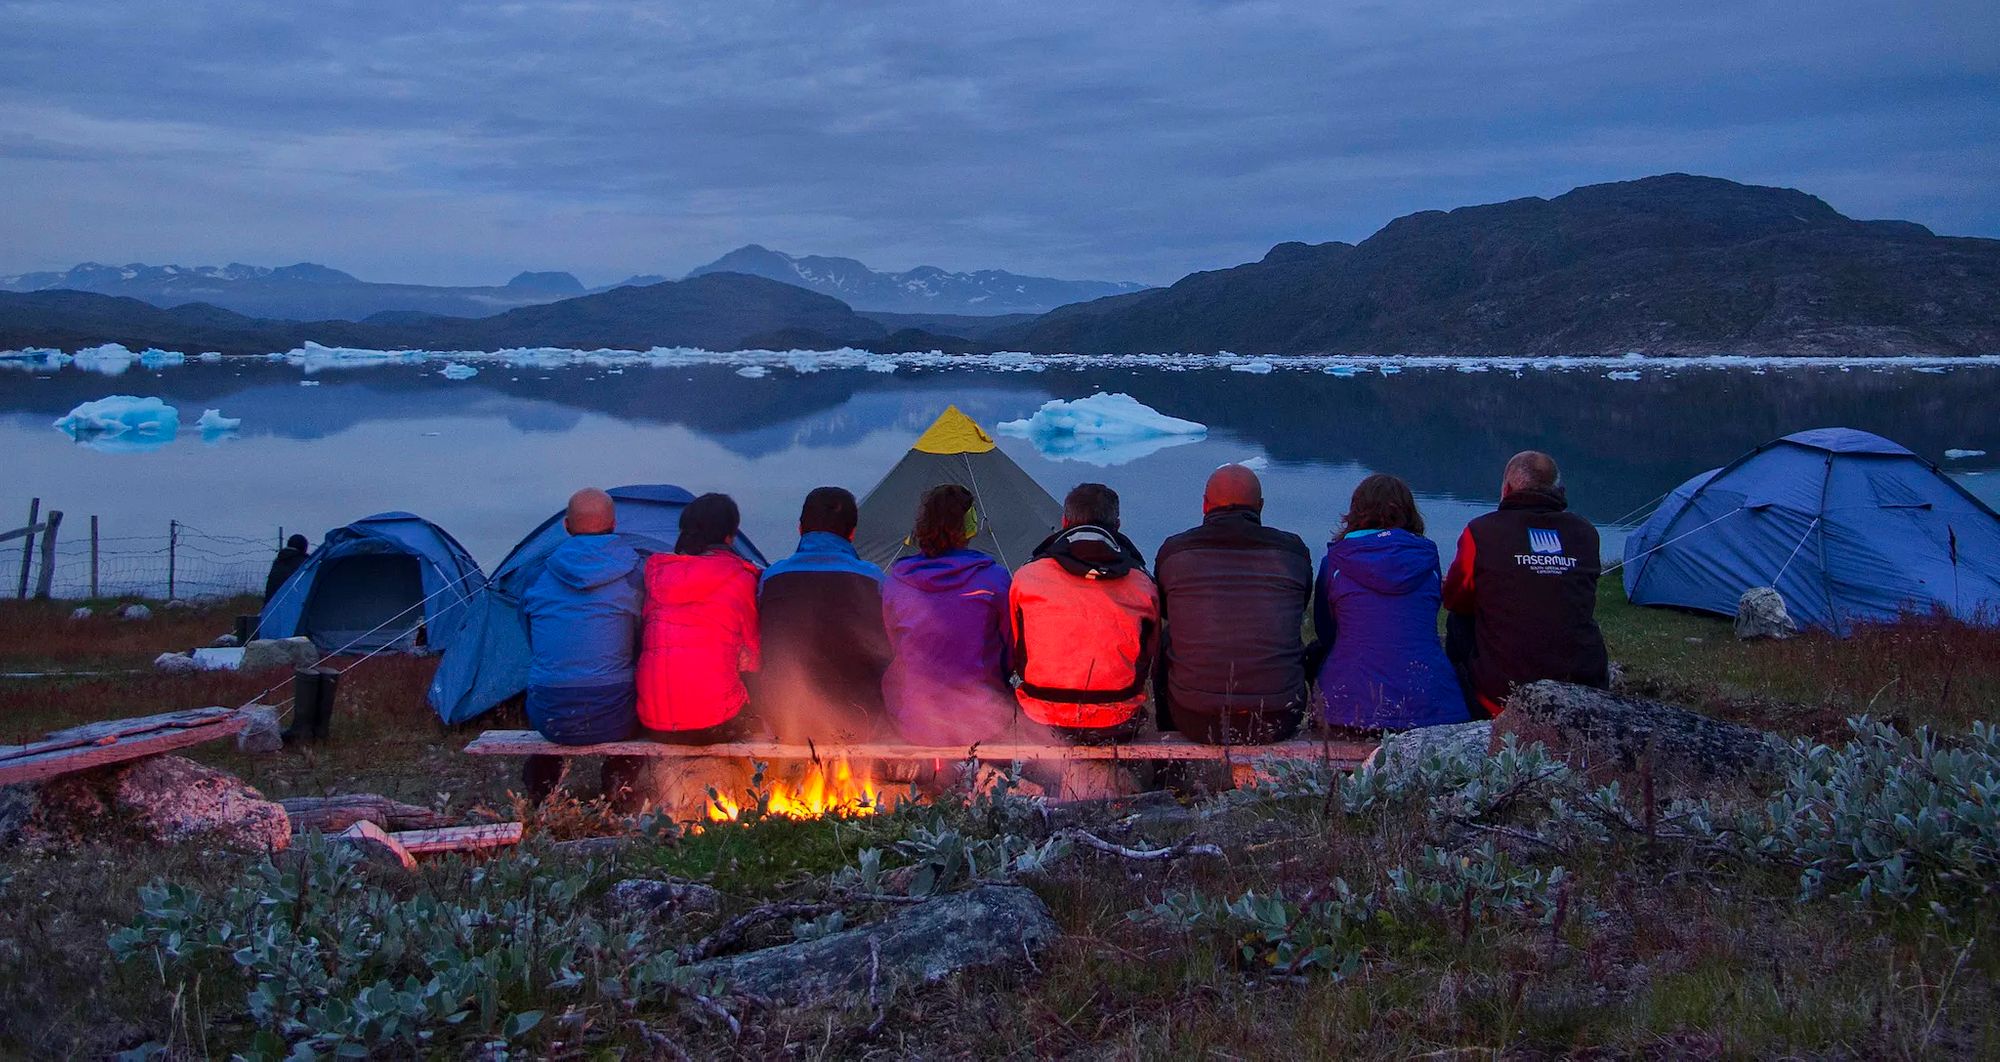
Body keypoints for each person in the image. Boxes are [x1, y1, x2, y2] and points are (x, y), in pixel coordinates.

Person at [1153, 464, 1312, 744]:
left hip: (1195, 718)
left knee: (1166, 640)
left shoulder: (1175, 552)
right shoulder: (1292, 553)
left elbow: (1166, 612)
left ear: (1205, 505)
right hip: (1277, 717)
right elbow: (1300, 609)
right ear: (1260, 507)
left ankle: (1168, 760)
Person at [1442, 451, 1610, 716]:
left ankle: (1469, 712)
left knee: (1459, 621)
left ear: (1507, 488)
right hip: (1583, 692)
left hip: (1500, 697)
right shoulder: (1585, 532)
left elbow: (1455, 599)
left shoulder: (1482, 532)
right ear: (1558, 489)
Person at [518, 489, 645, 803]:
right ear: (614, 524)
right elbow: (644, 641)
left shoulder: (537, 576)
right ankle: (618, 782)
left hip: (550, 715)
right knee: (646, 699)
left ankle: (542, 788)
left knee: (551, 675)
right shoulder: (635, 575)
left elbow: (532, 637)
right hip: (616, 712)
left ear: (565, 525)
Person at [1313, 474, 1468, 731]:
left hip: (1348, 708)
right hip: (1431, 705)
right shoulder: (1428, 561)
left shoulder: (1336, 562)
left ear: (1355, 512)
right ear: (1409, 512)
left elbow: (1326, 631)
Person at [1009, 483, 1159, 744]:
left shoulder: (1027, 577)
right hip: (1117, 718)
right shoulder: (1142, 583)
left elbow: (1017, 648)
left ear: (1065, 521)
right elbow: (1149, 654)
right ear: (1118, 525)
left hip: (1041, 716)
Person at [881, 484, 1015, 746]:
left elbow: (894, 643)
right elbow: (1010, 651)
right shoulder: (994, 579)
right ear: (970, 524)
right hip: (982, 719)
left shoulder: (898, 581)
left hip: (914, 719)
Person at [755, 487, 892, 738]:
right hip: (858, 720)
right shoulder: (874, 580)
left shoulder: (771, 578)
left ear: (800, 529)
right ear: (852, 533)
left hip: (784, 720)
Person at [638, 493, 762, 742]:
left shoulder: (658, 575)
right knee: (759, 714)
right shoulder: (741, 577)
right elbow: (752, 658)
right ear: (730, 536)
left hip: (654, 723)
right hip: (712, 723)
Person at [264, 533, 310, 601]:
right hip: (291, 601)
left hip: (271, 603)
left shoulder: (278, 561)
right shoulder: (303, 562)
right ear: (304, 547)